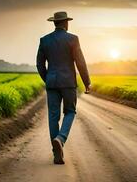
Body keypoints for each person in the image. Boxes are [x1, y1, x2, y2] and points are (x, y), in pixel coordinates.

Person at [36, 11, 91, 164]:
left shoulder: (44, 40)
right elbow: (80, 63)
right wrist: (87, 82)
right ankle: (60, 138)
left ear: (54, 23)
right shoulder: (73, 39)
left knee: (53, 117)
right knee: (70, 111)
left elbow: (40, 64)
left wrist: (48, 78)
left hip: (52, 83)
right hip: (68, 83)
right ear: (66, 23)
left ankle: (56, 154)